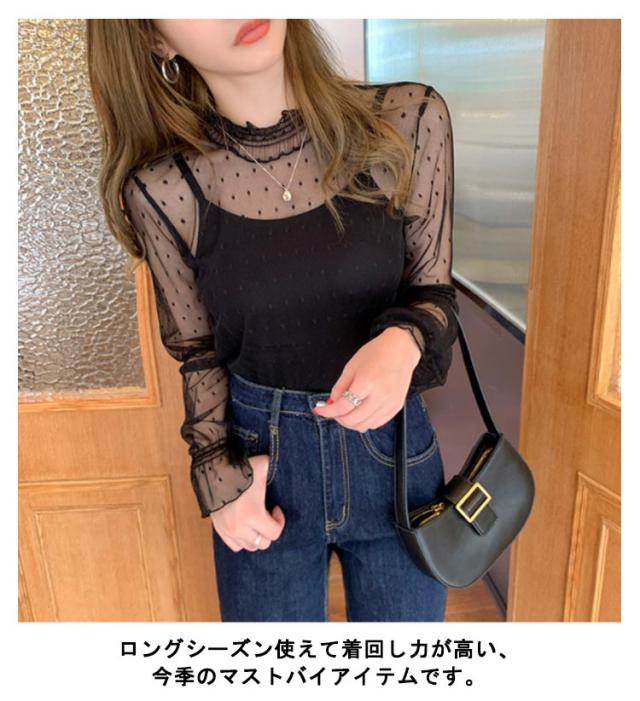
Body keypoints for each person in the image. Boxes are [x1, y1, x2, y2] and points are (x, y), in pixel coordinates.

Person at [88, 18, 459, 622]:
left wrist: (405, 339)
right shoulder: (165, 190)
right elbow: (199, 351)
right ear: (156, 39)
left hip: (395, 462)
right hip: (261, 468)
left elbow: (433, 291)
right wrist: (217, 476)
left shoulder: (407, 121)